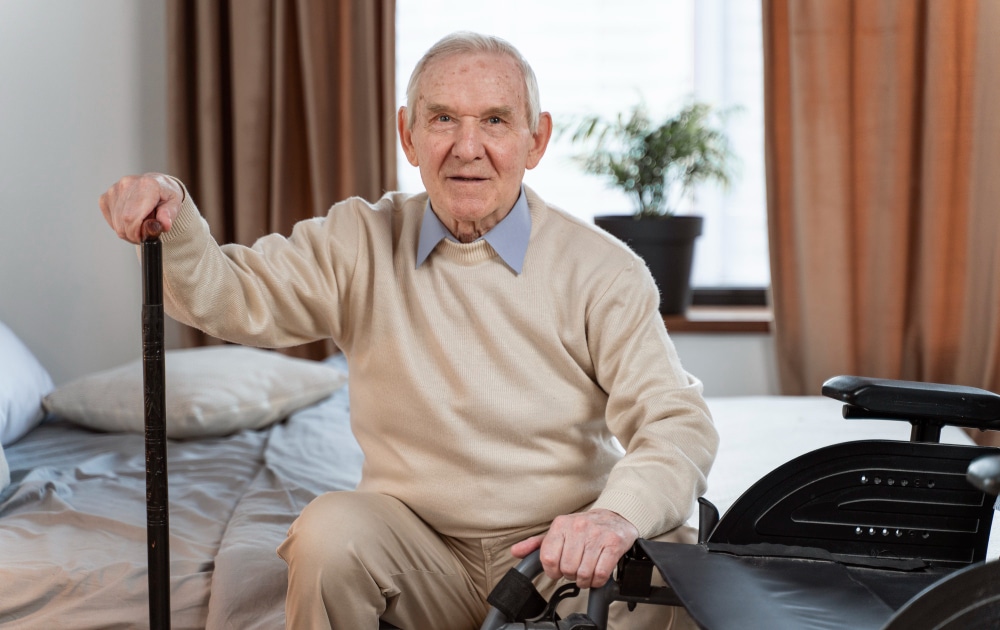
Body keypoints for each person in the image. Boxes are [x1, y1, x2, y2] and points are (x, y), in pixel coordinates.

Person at [100, 31, 718, 630]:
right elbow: (227, 296)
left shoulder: (603, 269)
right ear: (408, 134)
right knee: (327, 532)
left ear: (537, 139)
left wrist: (611, 516)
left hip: (556, 555)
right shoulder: (357, 241)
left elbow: (677, 422)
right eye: (443, 119)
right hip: (420, 550)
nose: (467, 147)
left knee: (674, 563)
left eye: (496, 121)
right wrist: (173, 215)